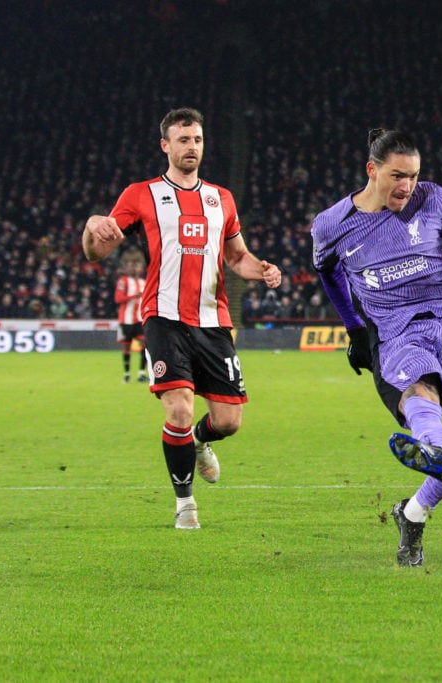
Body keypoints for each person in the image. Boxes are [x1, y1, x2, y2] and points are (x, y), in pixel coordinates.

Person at [81, 107, 282, 530]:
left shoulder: (221, 198)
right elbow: (96, 250)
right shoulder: (140, 194)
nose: (192, 147)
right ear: (166, 145)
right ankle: (185, 503)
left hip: (213, 321)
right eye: (183, 140)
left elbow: (236, 256)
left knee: (228, 422)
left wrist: (261, 268)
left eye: (197, 140)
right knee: (178, 410)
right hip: (163, 317)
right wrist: (91, 225)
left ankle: (199, 441)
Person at [312, 128, 442, 567]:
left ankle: (412, 512)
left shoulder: (433, 199)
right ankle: (435, 450)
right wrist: (354, 328)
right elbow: (327, 272)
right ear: (372, 170)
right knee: (423, 393)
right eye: (398, 175)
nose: (407, 186)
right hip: (397, 331)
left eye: (414, 176)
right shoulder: (332, 224)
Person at [114, 256, 148, 383]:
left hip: (140, 319)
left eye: (137, 266)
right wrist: (134, 296)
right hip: (126, 320)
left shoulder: (143, 282)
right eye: (132, 266)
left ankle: (141, 374)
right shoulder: (123, 281)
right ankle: (127, 374)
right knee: (126, 347)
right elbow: (118, 299)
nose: (135, 269)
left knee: (145, 345)